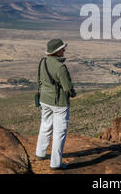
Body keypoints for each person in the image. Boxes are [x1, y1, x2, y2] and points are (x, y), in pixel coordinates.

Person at [35, 38, 77, 170]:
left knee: (45, 125)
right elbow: (67, 87)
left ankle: (40, 153)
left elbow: (39, 80)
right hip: (59, 103)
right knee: (59, 132)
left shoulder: (43, 62)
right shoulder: (61, 67)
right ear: (57, 52)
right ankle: (56, 163)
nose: (64, 50)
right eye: (62, 49)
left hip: (44, 100)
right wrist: (73, 93)